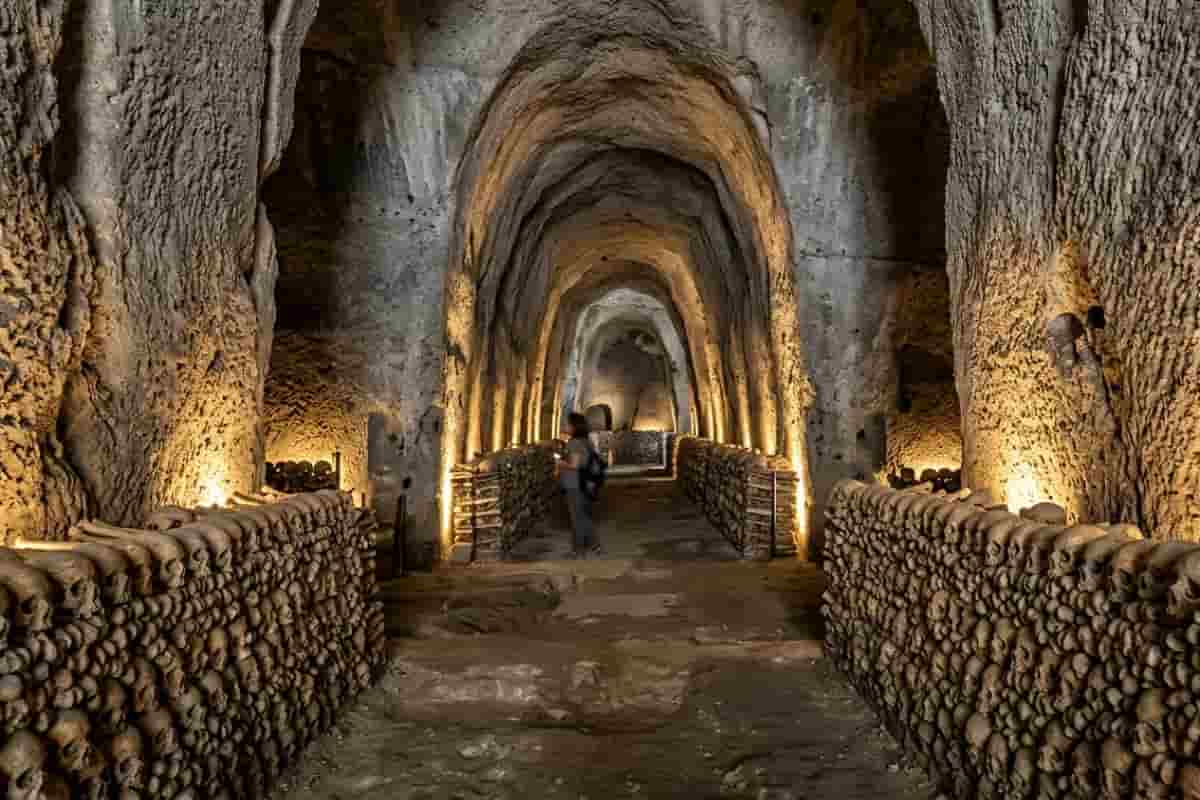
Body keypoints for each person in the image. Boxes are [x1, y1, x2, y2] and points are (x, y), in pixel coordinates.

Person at [558, 412, 601, 558]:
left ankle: (578, 550)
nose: (566, 426)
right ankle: (594, 545)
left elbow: (574, 464)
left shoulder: (574, 443)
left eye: (568, 424)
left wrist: (559, 463)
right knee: (584, 515)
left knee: (576, 517)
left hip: (575, 485)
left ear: (574, 426)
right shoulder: (586, 441)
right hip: (585, 484)